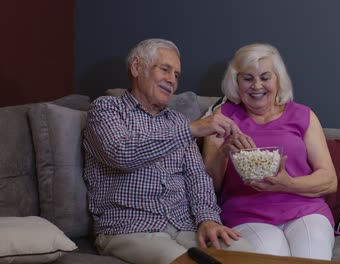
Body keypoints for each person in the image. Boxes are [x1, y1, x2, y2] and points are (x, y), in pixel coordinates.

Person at [82, 38, 252, 264]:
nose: (172, 80)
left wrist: (208, 219)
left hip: (184, 226)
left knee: (245, 253)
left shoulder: (177, 121)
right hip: (129, 227)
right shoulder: (106, 109)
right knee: (180, 261)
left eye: (177, 75)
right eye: (165, 69)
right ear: (136, 67)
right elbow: (120, 153)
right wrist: (191, 129)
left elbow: (197, 177)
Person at [203, 43, 337, 260]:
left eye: (265, 77)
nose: (257, 86)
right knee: (270, 256)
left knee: (313, 254)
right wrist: (223, 152)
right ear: (236, 82)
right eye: (248, 78)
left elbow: (330, 180)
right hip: (246, 214)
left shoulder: (303, 115)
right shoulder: (222, 117)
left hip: (305, 210)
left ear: (278, 80)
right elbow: (208, 185)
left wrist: (287, 184)